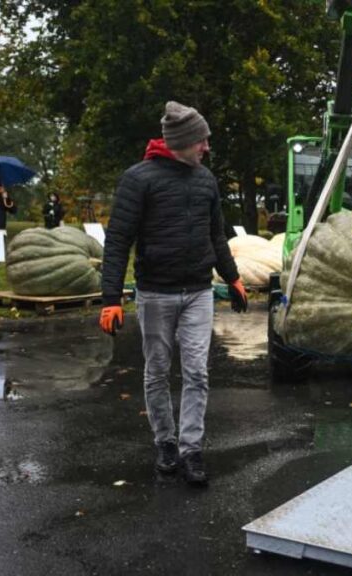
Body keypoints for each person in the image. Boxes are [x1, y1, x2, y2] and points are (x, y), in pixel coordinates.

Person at [99, 101, 248, 485]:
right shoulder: (139, 179)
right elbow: (118, 240)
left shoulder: (206, 180)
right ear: (183, 141)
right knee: (158, 372)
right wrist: (111, 298)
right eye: (202, 141)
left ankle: (192, 449)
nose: (206, 148)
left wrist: (231, 278)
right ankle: (165, 441)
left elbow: (216, 233)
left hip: (198, 290)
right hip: (155, 294)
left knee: (197, 371)